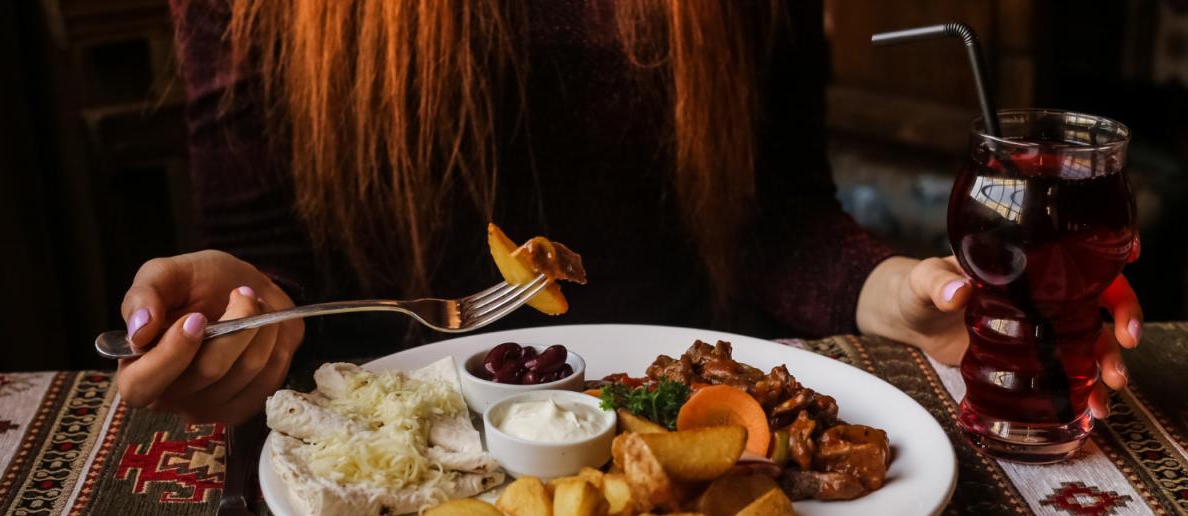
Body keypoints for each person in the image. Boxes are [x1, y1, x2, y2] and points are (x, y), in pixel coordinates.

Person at [116, 0, 1142, 424]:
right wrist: (243, 316)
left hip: (688, 420)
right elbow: (261, 260)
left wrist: (900, 297)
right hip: (388, 444)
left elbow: (775, 219)